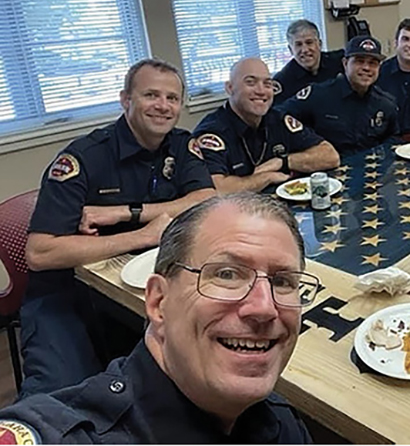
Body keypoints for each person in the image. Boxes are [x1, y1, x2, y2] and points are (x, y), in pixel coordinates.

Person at [0, 193, 315, 443]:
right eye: (227, 274)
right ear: (159, 301)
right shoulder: (71, 435)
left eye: (283, 281)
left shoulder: (280, 423)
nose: (264, 307)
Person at [21, 58, 216, 398]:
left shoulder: (182, 146)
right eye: (151, 95)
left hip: (144, 290)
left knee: (189, 379)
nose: (163, 106)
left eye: (172, 98)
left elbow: (206, 199)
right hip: (68, 293)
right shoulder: (83, 157)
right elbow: (40, 252)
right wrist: (142, 235)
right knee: (59, 397)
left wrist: (127, 213)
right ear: (126, 99)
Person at [193, 57, 339, 194]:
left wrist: (282, 162)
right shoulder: (212, 133)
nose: (261, 91)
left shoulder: (278, 119)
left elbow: (330, 156)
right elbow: (217, 190)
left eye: (267, 84)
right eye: (251, 82)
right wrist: (267, 177)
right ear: (230, 88)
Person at [280, 35, 398, 155]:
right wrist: (308, 142)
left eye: (373, 63)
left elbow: (393, 139)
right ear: (345, 63)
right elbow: (279, 116)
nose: (366, 68)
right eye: (359, 61)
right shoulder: (319, 95)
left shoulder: (386, 103)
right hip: (329, 168)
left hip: (371, 168)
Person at [271, 19, 345, 105]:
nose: (305, 50)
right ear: (291, 50)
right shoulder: (282, 81)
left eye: (309, 42)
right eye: (298, 44)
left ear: (320, 44)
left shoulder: (340, 62)